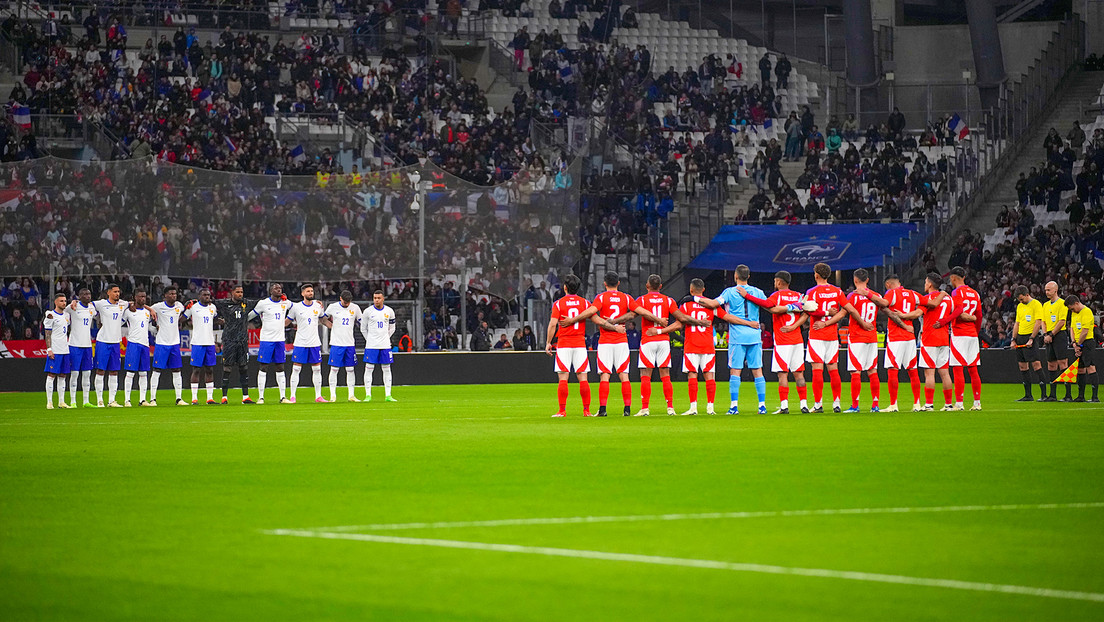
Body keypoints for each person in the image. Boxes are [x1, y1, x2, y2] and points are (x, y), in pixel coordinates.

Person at [695, 264, 769, 415]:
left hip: (738, 336)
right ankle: (762, 406)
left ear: (735, 276)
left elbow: (713, 304)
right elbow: (768, 305)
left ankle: (734, 406)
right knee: (757, 370)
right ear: (748, 276)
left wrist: (693, 298)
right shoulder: (758, 292)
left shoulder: (729, 292)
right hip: (755, 335)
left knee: (736, 371)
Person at [562, 272, 636, 417]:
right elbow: (635, 312)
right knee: (624, 375)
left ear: (604, 283)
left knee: (605, 375)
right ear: (618, 283)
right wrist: (619, 321)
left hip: (605, 341)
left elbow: (590, 312)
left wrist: (573, 320)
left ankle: (603, 409)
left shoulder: (601, 298)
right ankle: (627, 409)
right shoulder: (626, 297)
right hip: (621, 340)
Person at [632, 274, 706, 416]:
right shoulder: (669, 300)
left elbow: (632, 315)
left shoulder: (641, 300)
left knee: (645, 374)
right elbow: (682, 318)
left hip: (648, 338)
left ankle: (645, 408)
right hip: (664, 340)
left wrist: (614, 321)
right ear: (660, 286)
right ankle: (670, 408)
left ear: (647, 286)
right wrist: (700, 322)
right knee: (665, 375)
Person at [736, 271, 808, 413]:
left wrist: (747, 296)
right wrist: (795, 326)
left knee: (782, 374)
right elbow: (806, 313)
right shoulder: (799, 296)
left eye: (775, 282)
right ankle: (804, 405)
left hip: (783, 341)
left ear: (779, 282)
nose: (774, 284)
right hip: (797, 340)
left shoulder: (777, 296)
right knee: (799, 374)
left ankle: (784, 406)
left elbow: (766, 304)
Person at [803, 262, 871, 412]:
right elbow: (847, 309)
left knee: (817, 369)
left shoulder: (812, 291)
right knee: (833, 369)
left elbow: (808, 310)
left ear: (816, 275)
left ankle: (818, 404)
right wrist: (863, 322)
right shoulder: (837, 291)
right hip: (832, 335)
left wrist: (825, 317)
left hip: (816, 333)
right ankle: (836, 403)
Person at [866, 274, 922, 412]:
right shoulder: (913, 294)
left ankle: (893, 405)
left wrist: (867, 293)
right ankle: (917, 404)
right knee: (913, 371)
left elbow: (884, 303)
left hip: (896, 337)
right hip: (910, 337)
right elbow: (925, 304)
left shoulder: (892, 293)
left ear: (888, 285)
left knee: (892, 371)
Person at [546, 274, 600, 417]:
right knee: (583, 378)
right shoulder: (585, 303)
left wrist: (548, 343)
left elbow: (552, 324)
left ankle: (562, 410)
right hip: (580, 344)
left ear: (565, 287)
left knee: (563, 377)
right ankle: (586, 410)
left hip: (564, 343)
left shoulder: (558, 304)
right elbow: (596, 319)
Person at [914, 273, 954, 411]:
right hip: (944, 338)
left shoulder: (927, 299)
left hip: (929, 339)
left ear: (930, 284)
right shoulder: (949, 299)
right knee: (945, 373)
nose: (925, 284)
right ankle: (948, 404)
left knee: (929, 373)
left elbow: (917, 314)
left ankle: (929, 404)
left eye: (926, 282)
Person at [843, 269, 881, 413]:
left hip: (857, 337)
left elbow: (848, 311)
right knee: (872, 371)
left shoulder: (853, 296)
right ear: (868, 280)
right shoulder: (876, 296)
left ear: (855, 280)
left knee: (855, 372)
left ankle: (855, 406)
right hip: (871, 337)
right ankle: (875, 405)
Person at [947, 267, 983, 410]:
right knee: (973, 369)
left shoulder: (956, 292)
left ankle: (959, 403)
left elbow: (958, 312)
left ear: (953, 278)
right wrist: (976, 330)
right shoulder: (975, 294)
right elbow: (979, 316)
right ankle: (977, 403)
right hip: (972, 335)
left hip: (959, 334)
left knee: (958, 369)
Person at [88, 283, 128, 407]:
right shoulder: (101, 303)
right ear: (108, 293)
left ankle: (112, 400)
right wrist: (74, 303)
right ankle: (100, 400)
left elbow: (134, 304)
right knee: (100, 371)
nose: (117, 294)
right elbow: (87, 304)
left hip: (116, 342)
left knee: (114, 372)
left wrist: (151, 309)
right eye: (115, 291)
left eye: (118, 292)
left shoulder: (123, 304)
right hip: (103, 341)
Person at [252, 283, 292, 404]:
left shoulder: (286, 303)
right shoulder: (263, 303)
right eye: (276, 288)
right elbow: (251, 315)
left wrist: (317, 303)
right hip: (266, 340)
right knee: (264, 367)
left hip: (279, 340)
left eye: (280, 288)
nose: (278, 289)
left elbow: (299, 307)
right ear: (270, 291)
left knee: (280, 367)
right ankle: (261, 397)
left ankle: (283, 397)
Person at [216, 284, 255, 404]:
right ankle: (224, 397)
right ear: (232, 292)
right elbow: (209, 304)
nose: (240, 294)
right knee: (227, 367)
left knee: (244, 367)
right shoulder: (224, 303)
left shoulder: (246, 303)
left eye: (241, 292)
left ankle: (245, 397)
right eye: (238, 292)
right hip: (229, 340)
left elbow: (262, 302)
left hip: (242, 340)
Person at [287, 283, 326, 403]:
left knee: (317, 370)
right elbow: (287, 322)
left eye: (311, 291)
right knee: (296, 369)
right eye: (308, 291)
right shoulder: (296, 307)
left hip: (314, 343)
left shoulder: (318, 306)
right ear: (302, 293)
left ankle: (318, 396)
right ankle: (292, 396)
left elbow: (323, 319)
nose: (310, 293)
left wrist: (334, 327)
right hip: (300, 343)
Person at [322, 290, 362, 403]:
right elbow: (323, 318)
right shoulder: (332, 307)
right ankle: (333, 396)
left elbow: (361, 321)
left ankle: (351, 395)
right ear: (340, 299)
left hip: (349, 343)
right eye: (345, 302)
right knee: (334, 369)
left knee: (350, 369)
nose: (347, 304)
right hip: (336, 343)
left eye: (348, 302)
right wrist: (330, 325)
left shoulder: (355, 308)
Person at [150, 286, 188, 406]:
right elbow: (145, 312)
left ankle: (179, 399)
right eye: (171, 294)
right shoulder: (158, 306)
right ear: (165, 295)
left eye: (175, 294)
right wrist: (152, 327)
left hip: (174, 343)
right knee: (157, 370)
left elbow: (183, 313)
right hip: (161, 343)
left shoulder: (179, 306)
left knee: (176, 370)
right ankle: (152, 399)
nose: (173, 296)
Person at [361, 290, 398, 402]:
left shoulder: (389, 311)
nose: (376, 300)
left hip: (385, 345)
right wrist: (370, 340)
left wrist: (386, 337)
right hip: (371, 346)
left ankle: (388, 395)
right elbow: (363, 328)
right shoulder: (367, 311)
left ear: (383, 299)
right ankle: (368, 395)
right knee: (369, 369)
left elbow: (392, 327)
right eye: (375, 298)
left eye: (378, 298)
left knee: (386, 369)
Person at [184, 289, 219, 405]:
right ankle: (194, 398)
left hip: (209, 342)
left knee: (209, 369)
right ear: (199, 296)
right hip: (197, 342)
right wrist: (185, 308)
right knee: (196, 370)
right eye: (204, 295)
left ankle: (210, 398)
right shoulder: (193, 307)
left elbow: (216, 319)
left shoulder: (212, 307)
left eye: (208, 295)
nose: (207, 297)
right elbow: (182, 319)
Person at [1013, 285, 1047, 401]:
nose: (1021, 301)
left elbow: (1038, 322)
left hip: (1030, 336)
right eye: (1019, 300)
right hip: (1020, 337)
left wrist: (1032, 338)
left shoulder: (1036, 304)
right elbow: (1017, 323)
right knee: (1022, 366)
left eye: (1022, 299)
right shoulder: (1019, 306)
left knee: (1036, 364)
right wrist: (1013, 339)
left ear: (1027, 295)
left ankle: (1044, 395)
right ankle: (1028, 395)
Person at [1040, 281, 1071, 402]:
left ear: (1055, 290)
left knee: (1063, 363)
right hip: (1048, 336)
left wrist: (1051, 334)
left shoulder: (1062, 303)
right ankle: (1052, 395)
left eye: (1048, 290)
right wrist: (1046, 334)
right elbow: (1043, 321)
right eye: (1046, 290)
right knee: (1051, 364)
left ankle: (1068, 394)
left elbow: (1062, 321)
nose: (1046, 292)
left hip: (1059, 336)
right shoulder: (1045, 305)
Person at [65, 287, 96, 408]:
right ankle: (73, 401)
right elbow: (61, 310)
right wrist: (73, 301)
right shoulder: (72, 307)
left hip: (87, 345)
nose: (87, 296)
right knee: (74, 374)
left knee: (87, 373)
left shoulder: (92, 308)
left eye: (88, 293)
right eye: (84, 294)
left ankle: (86, 401)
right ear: (79, 296)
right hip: (74, 345)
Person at [122, 289, 153, 407]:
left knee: (144, 373)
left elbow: (149, 327)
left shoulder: (147, 312)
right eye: (140, 296)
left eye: (144, 296)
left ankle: (142, 400)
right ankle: (127, 400)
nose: (143, 299)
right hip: (133, 344)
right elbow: (120, 323)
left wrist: (156, 329)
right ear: (135, 297)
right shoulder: (128, 311)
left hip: (145, 345)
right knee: (130, 373)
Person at [1066, 295, 1099, 402]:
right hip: (1078, 344)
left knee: (1090, 367)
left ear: (1076, 303)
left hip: (1087, 342)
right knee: (1080, 369)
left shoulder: (1086, 312)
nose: (1072, 311)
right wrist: (1074, 343)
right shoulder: (1074, 313)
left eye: (1072, 308)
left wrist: (1079, 345)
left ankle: (1095, 397)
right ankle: (1081, 396)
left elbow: (1085, 331)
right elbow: (1072, 328)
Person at [43, 292, 72, 409]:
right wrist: (49, 349)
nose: (64, 303)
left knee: (62, 376)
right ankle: (49, 402)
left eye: (65, 301)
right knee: (51, 375)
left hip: (65, 349)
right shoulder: (50, 315)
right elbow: (47, 334)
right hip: (55, 350)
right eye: (61, 301)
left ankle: (61, 402)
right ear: (55, 302)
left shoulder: (66, 316)